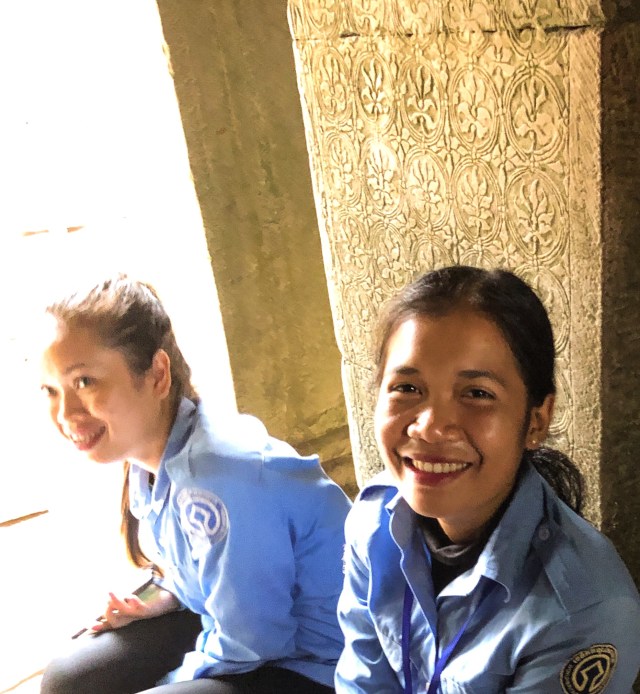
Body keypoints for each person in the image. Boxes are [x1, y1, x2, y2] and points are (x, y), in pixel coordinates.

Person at [37, 274, 352, 694]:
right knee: (68, 679)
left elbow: (253, 640)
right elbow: (198, 569)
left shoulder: (219, 477)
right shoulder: (154, 461)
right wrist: (156, 600)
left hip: (321, 666)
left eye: (84, 382)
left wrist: (171, 680)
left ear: (157, 374)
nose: (66, 413)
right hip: (257, 635)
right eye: (50, 389)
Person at [335, 265, 640, 693]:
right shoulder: (372, 523)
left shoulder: (585, 610)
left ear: (536, 421)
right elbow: (363, 681)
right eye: (407, 388)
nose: (429, 427)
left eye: (477, 394)